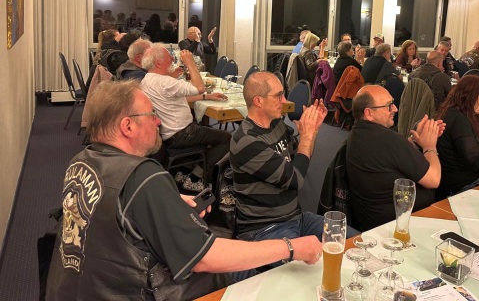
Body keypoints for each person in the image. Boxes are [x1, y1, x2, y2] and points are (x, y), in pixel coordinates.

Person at [45, 80, 322, 300]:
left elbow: (108, 205)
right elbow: (204, 257)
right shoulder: (145, 176)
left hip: (80, 289)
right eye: (152, 114)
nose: (158, 122)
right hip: (137, 292)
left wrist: (167, 199)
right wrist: (290, 247)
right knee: (261, 280)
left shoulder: (81, 161)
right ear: (127, 126)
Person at [231, 72, 350, 253]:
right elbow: (295, 179)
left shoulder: (277, 125)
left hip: (296, 218)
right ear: (258, 101)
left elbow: (301, 160)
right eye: (278, 95)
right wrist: (306, 136)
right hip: (265, 229)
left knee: (355, 242)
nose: (285, 100)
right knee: (309, 266)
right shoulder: (247, 141)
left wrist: (313, 132)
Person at [346, 85, 442, 231]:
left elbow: (392, 157)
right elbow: (434, 180)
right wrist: (430, 146)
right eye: (388, 106)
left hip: (368, 220)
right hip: (400, 225)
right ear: (369, 113)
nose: (395, 109)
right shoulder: (389, 140)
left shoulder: (357, 134)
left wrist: (415, 141)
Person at [140, 44, 230, 191]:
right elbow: (199, 87)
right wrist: (190, 63)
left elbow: (180, 98)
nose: (173, 60)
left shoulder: (147, 80)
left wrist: (207, 96)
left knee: (208, 131)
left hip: (169, 134)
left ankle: (183, 171)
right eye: (169, 57)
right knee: (226, 138)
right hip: (181, 133)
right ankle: (196, 178)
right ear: (158, 63)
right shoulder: (165, 82)